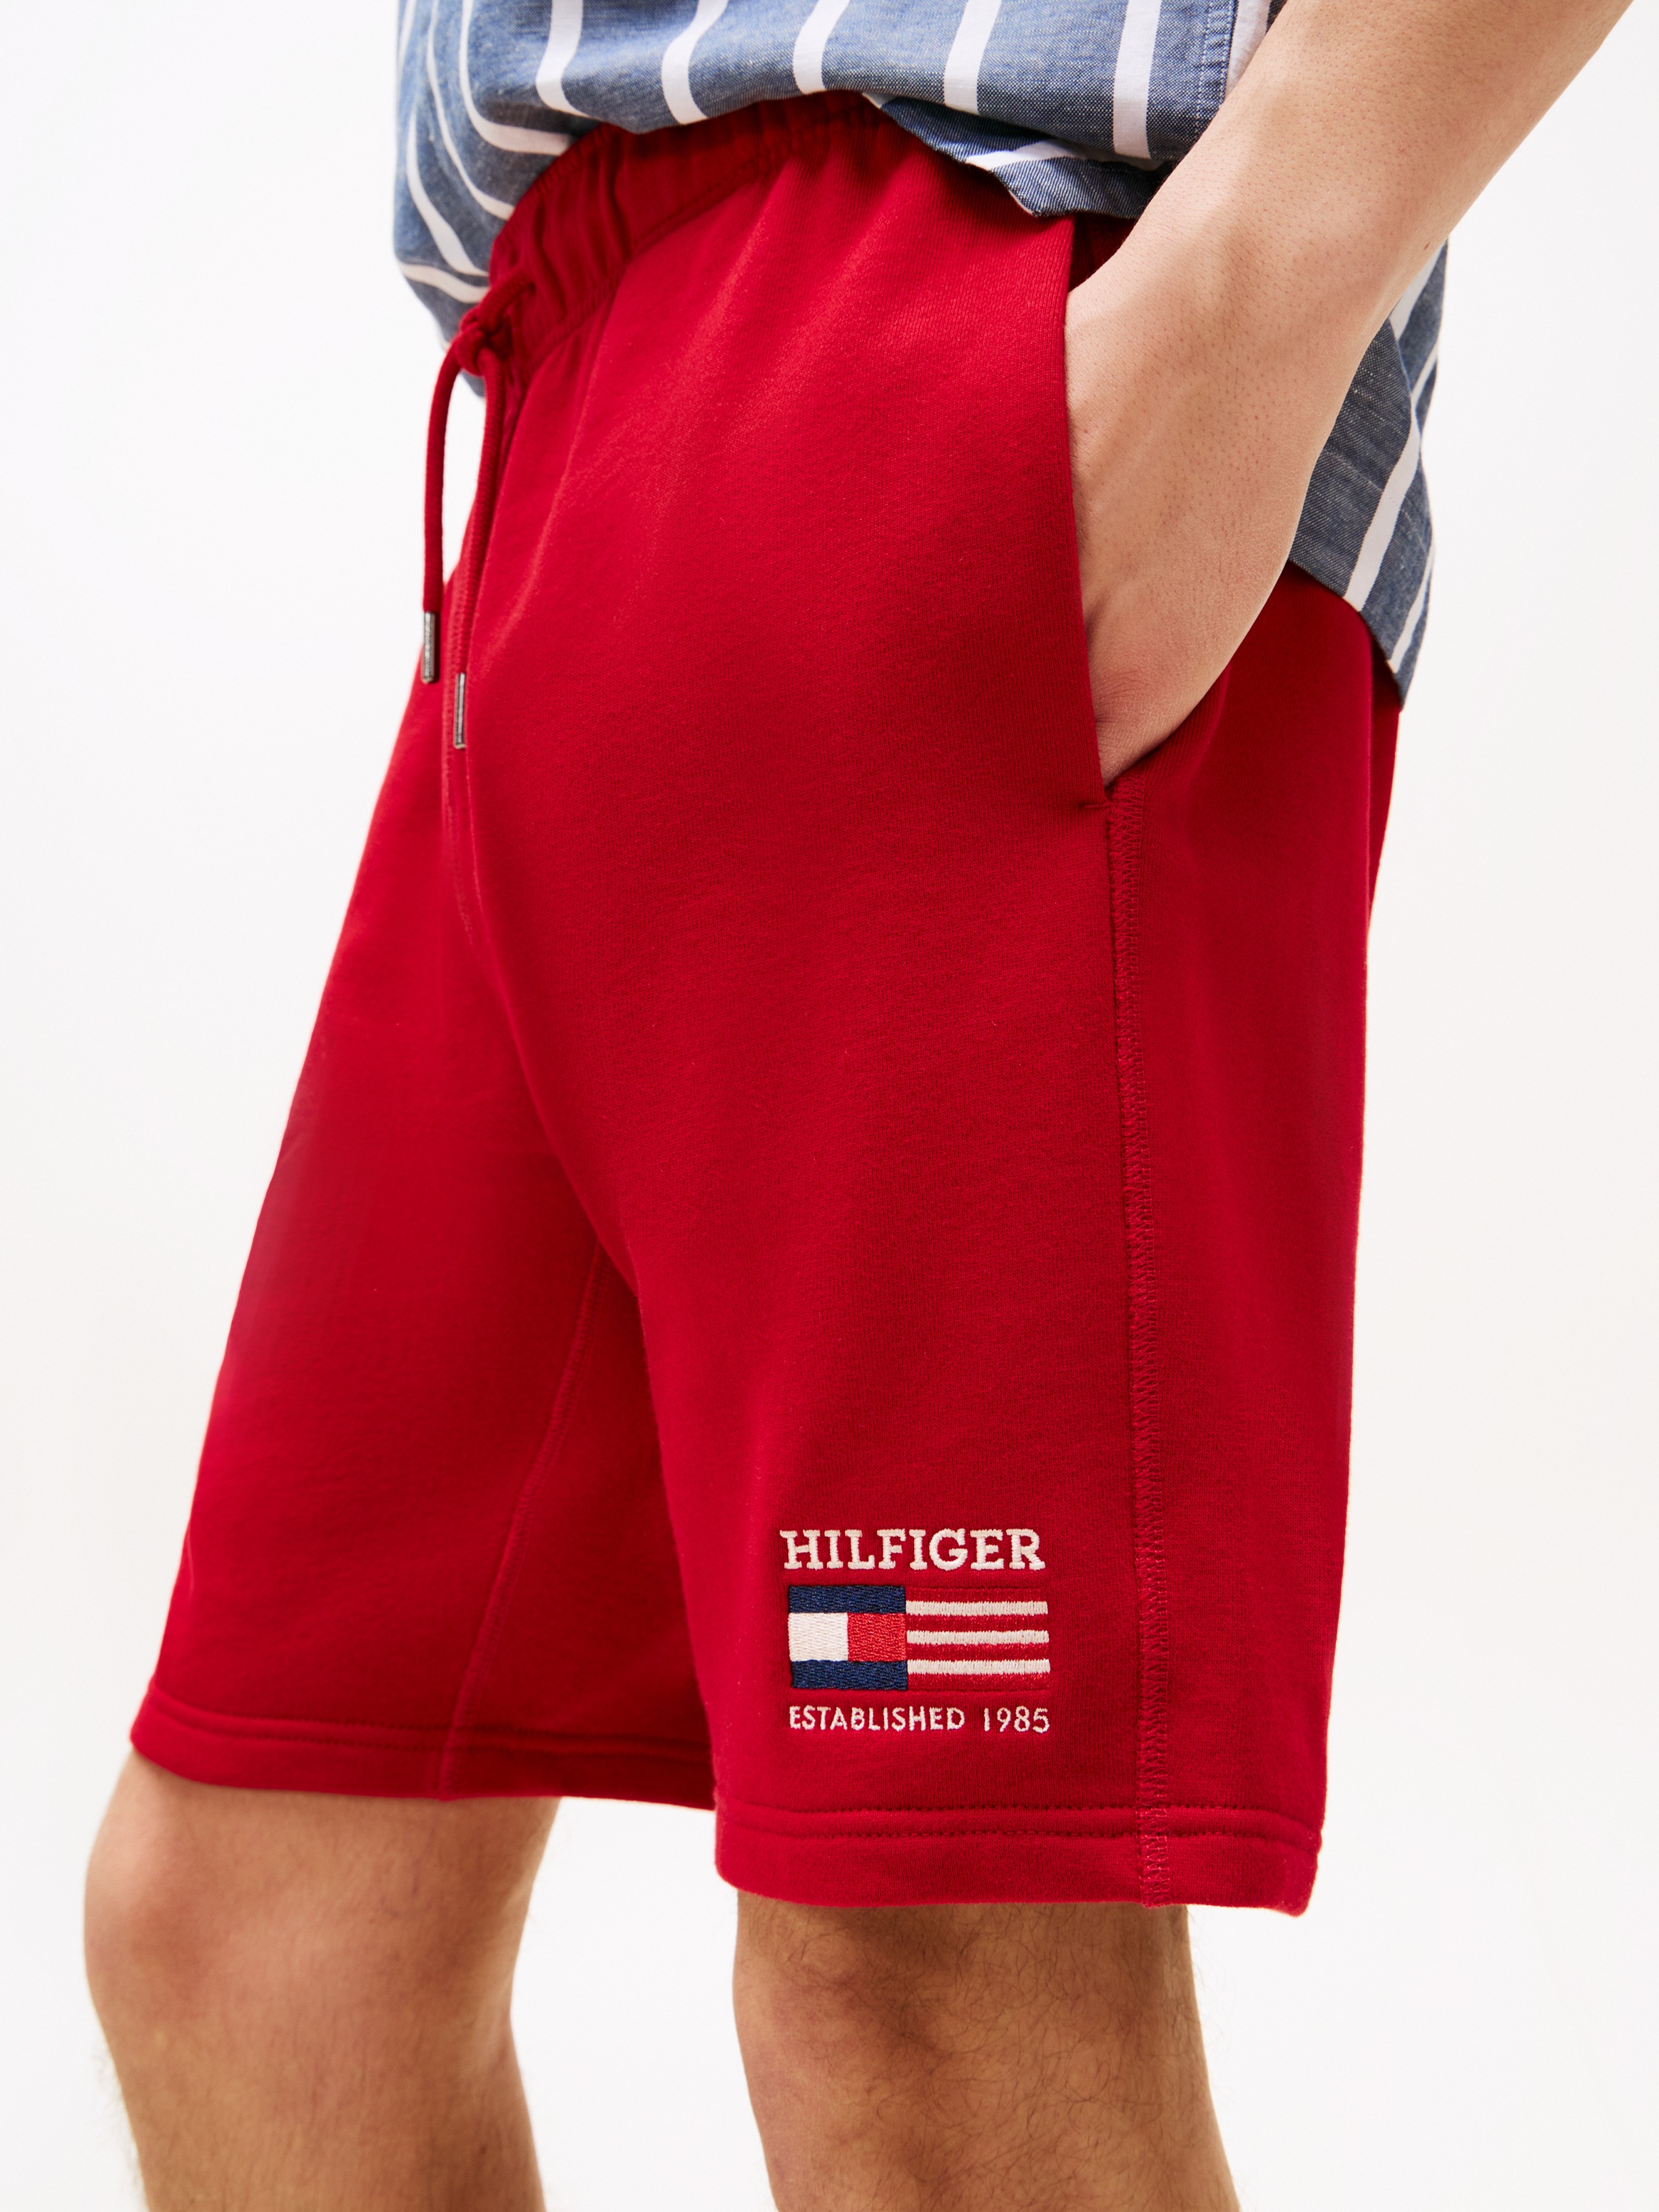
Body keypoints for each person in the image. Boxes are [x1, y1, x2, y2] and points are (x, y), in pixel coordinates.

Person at [83, 2, 1632, 2206]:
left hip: (964, 322)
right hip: (560, 398)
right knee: (253, 1922)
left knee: (924, 1967)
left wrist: (1266, 267)